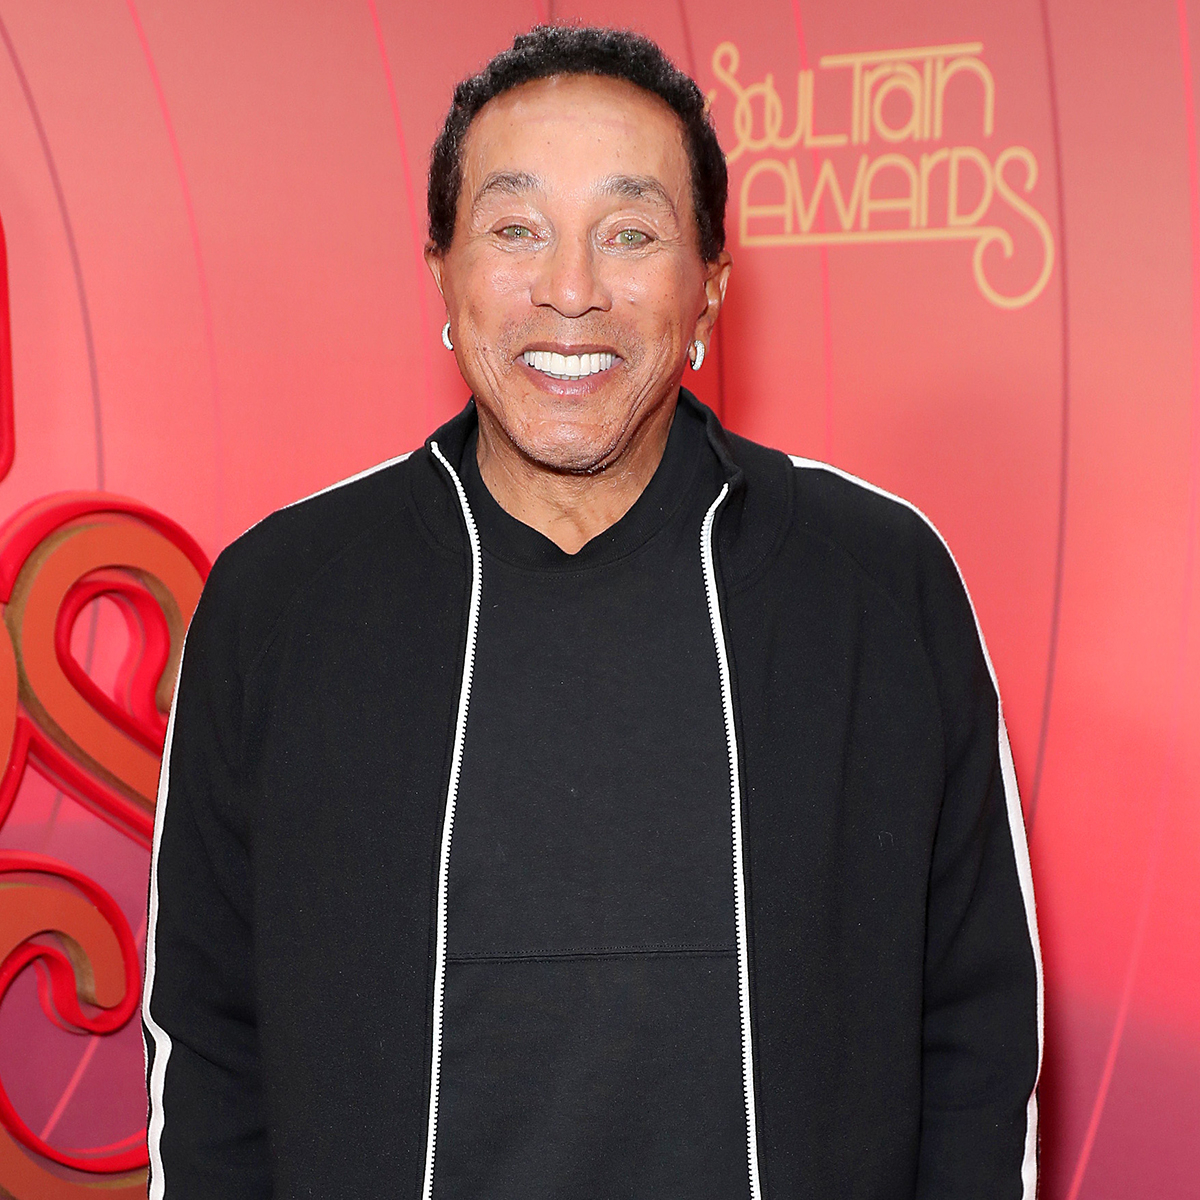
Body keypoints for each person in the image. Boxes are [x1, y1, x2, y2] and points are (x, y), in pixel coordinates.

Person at [142, 24, 1041, 1200]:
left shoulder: (876, 586)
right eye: (516, 228)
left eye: (631, 233)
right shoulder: (281, 601)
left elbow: (975, 1041)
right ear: (442, 274)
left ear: (710, 285)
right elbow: (209, 1049)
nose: (571, 292)